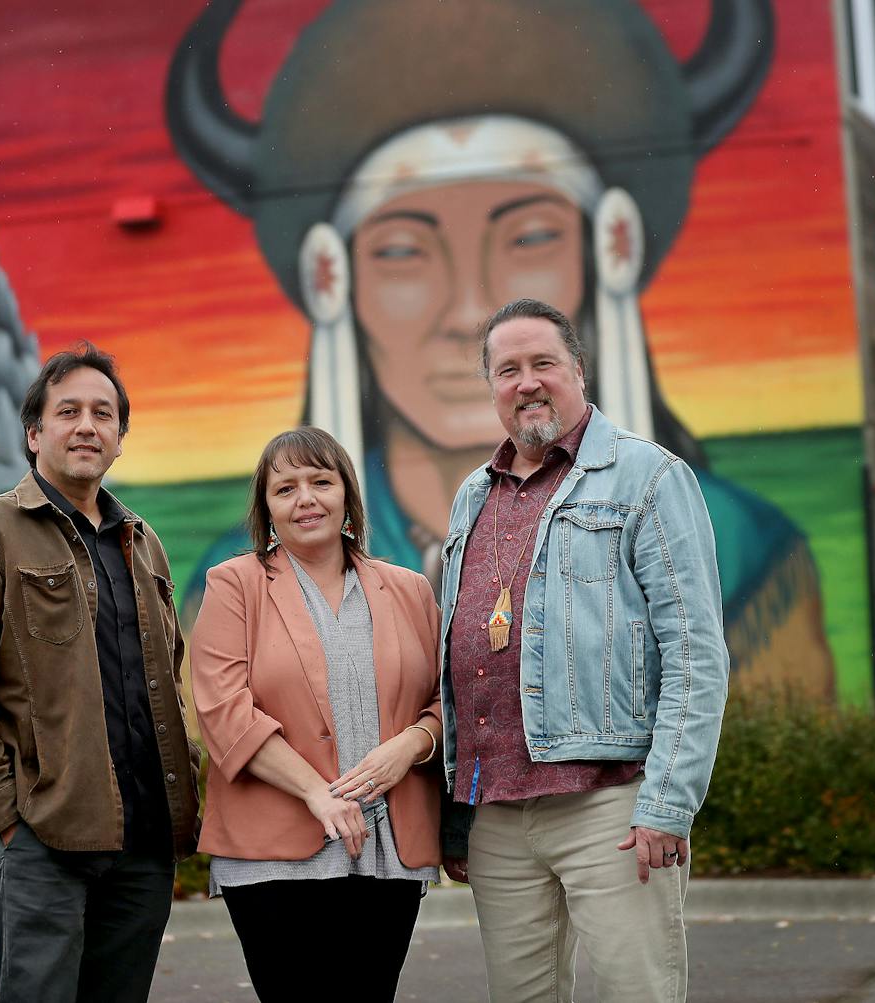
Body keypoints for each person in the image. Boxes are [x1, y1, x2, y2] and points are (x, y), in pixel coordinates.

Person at [167, 0, 835, 698]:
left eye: (529, 237)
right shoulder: (245, 582)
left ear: (610, 246)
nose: (466, 312)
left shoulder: (739, 550)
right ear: (333, 277)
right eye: (402, 251)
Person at [439, 299, 729, 1003]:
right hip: (497, 816)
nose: (527, 382)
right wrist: (454, 811)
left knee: (638, 992)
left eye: (543, 363)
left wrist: (667, 802)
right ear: (492, 388)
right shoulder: (472, 495)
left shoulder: (649, 477)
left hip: (611, 806)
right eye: (508, 369)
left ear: (577, 370)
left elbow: (694, 653)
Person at [0, 343, 200, 1003]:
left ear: (120, 439)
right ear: (34, 433)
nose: (86, 425)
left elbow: (168, 676)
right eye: (67, 410)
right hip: (41, 840)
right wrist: (3, 815)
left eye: (103, 414)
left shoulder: (144, 541)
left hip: (143, 842)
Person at [190, 426, 443, 1002]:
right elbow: (224, 711)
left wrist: (412, 745)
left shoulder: (410, 589)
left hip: (388, 853)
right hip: (273, 856)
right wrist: (317, 792)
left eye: (320, 482)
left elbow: (447, 702)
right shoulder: (233, 585)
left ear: (348, 498)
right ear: (267, 511)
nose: (305, 498)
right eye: (285, 488)